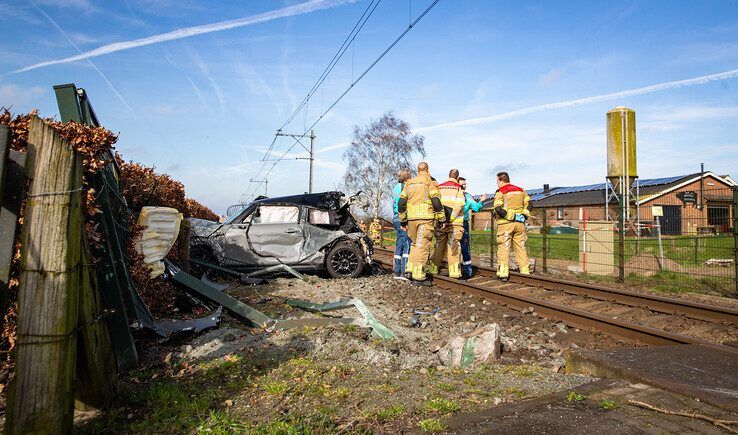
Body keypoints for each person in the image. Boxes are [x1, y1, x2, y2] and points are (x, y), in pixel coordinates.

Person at [398, 162, 445, 282]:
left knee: (415, 244)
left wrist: (403, 221)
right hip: (425, 218)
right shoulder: (429, 181)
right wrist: (441, 218)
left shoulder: (409, 182)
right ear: (427, 169)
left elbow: (401, 203)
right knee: (422, 246)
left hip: (412, 219)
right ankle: (419, 277)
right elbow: (436, 201)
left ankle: (409, 269)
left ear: (417, 170)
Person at [492, 171, 531, 281]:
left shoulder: (501, 191)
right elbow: (530, 205)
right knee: (521, 247)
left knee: (504, 248)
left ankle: (503, 273)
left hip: (505, 225)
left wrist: (511, 216)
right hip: (520, 225)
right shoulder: (521, 190)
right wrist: (523, 216)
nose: (497, 184)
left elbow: (498, 209)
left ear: (501, 180)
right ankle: (525, 271)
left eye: (497, 181)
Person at [428, 169, 467, 279]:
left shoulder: (439, 187)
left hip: (440, 223)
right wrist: (450, 219)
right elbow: (459, 206)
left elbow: (435, 203)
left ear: (448, 175)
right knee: (453, 247)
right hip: (454, 224)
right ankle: (454, 273)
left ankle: (433, 269)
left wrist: (442, 219)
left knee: (438, 246)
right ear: (457, 178)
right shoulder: (458, 188)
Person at [458, 177, 488, 279]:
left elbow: (476, 208)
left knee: (465, 247)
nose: (464, 186)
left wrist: (481, 201)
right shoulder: (465, 196)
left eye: (465, 184)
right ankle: (461, 270)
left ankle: (467, 271)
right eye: (462, 184)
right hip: (457, 224)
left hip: (462, 224)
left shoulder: (468, 196)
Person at [392, 168, 412, 279]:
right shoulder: (406, 188)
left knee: (399, 244)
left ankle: (397, 271)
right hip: (403, 217)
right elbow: (403, 204)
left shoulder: (395, 187)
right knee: (407, 244)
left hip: (395, 217)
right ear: (406, 178)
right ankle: (404, 272)